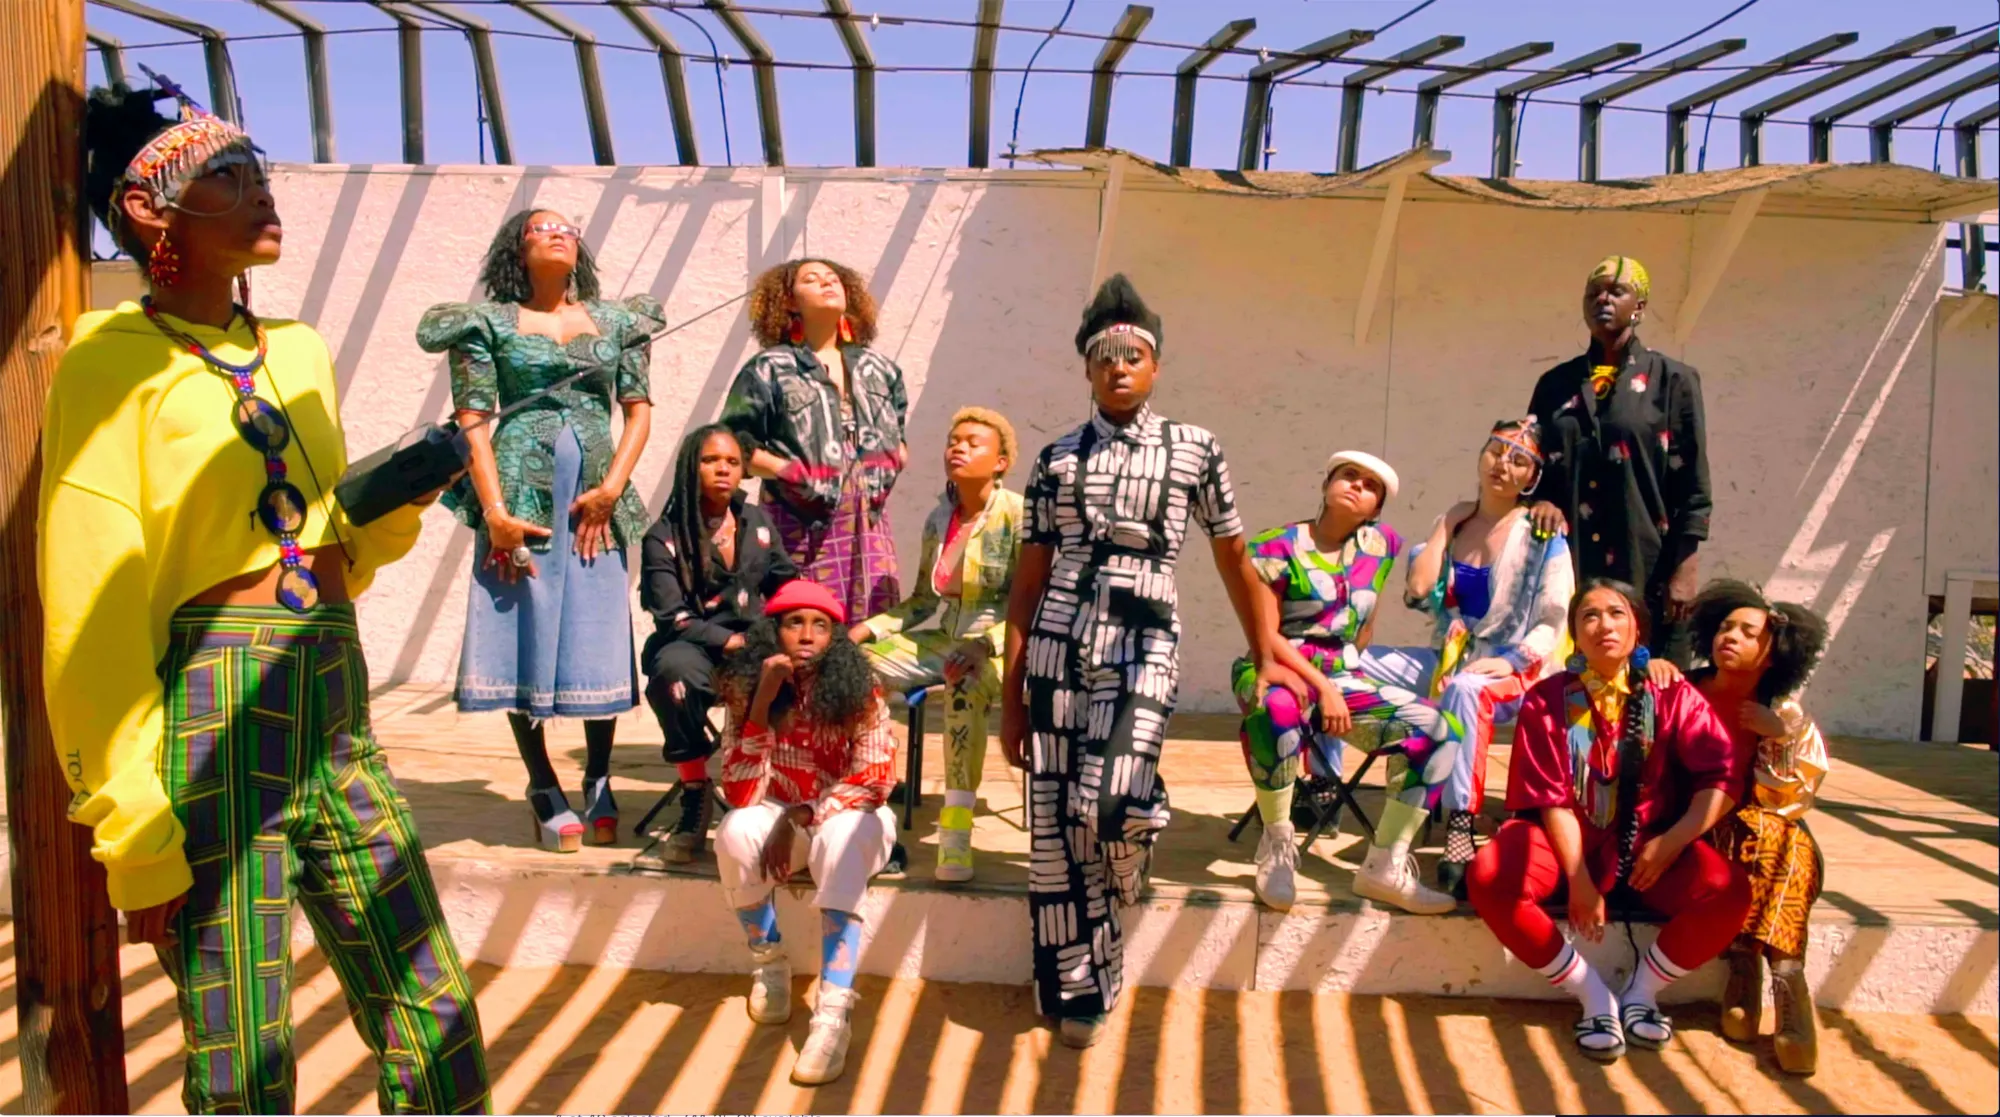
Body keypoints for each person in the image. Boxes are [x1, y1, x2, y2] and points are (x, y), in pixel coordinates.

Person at [41, 79, 488, 1112]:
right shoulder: (104, 366)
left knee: (437, 1015)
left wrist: (408, 484)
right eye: (227, 177)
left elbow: (334, 541)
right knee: (244, 1055)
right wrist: (138, 834)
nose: (260, 192)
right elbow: (89, 611)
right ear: (153, 212)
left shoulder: (298, 352)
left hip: (335, 691)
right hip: (213, 715)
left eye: (260, 173)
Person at [1000, 274, 1294, 1049]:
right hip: (1060, 636)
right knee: (1058, 820)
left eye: (1133, 356)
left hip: (1146, 629)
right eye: (1105, 358)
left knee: (1115, 800)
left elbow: (1235, 557)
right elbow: (1025, 584)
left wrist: (1263, 651)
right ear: (1088, 370)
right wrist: (1011, 698)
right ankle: (1079, 987)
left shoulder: (1195, 448)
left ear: (1156, 366)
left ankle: (1132, 866)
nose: (1119, 368)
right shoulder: (1056, 458)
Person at [416, 209, 663, 852]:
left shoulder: (619, 322)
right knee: (521, 624)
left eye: (566, 226)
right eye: (538, 228)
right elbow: (472, 420)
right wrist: (494, 514)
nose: (557, 233)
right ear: (516, 249)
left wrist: (612, 488)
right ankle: (543, 783)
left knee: (595, 627)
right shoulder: (487, 324)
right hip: (518, 497)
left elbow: (637, 412)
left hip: (594, 504)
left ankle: (601, 777)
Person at [1465, 579, 1751, 1063]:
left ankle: (1641, 994)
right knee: (1491, 877)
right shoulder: (1550, 698)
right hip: (1561, 846)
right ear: (1574, 634)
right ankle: (1593, 997)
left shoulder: (1669, 693)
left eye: (1616, 613)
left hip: (1647, 850)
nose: (1604, 625)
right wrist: (1578, 879)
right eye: (1589, 616)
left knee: (1729, 891)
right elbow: (1552, 796)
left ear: (1637, 625)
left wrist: (1674, 842)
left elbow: (1722, 777)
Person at [1233, 452, 1469, 916]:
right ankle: (1277, 846)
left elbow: (1366, 620)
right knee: (1277, 709)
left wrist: (1347, 673)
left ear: (1376, 509)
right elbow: (1264, 636)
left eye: (1369, 486)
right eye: (1347, 476)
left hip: (1343, 673)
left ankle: (1385, 865)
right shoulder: (1273, 547)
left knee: (1439, 730)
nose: (1356, 486)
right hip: (1275, 665)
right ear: (1326, 485)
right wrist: (1324, 686)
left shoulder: (1381, 545)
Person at [1358, 418, 1574, 897]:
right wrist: (1448, 524)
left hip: (1521, 670)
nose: (1504, 465)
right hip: (1453, 658)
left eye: (1519, 460)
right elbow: (1417, 590)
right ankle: (1320, 783)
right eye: (1497, 451)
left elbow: (1554, 620)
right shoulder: (1455, 523)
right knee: (1345, 662)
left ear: (1532, 477)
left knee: (1466, 690)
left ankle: (1461, 821)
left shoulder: (1542, 533)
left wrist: (1512, 660)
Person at [712, 580, 899, 1087]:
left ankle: (832, 1014)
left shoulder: (862, 688)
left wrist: (802, 814)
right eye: (794, 622)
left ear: (836, 637)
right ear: (773, 631)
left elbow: (876, 778)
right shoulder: (746, 689)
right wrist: (761, 703)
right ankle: (769, 963)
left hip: (852, 819)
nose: (807, 635)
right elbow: (741, 793)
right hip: (783, 821)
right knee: (733, 832)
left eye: (820, 625)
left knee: (841, 837)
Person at [1652, 580, 1831, 1076]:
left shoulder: (1785, 714)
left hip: (1765, 829)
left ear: (1773, 652)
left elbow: (1794, 799)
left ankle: (1774, 974)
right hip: (1695, 825)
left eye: (1747, 632)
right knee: (1766, 834)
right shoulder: (1680, 686)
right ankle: (1754, 970)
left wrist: (1780, 737)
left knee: (1781, 836)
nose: (1730, 636)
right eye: (1725, 626)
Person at [851, 407, 1024, 882]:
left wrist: (985, 645)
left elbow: (1032, 602)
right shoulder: (939, 518)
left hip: (1005, 642)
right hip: (945, 636)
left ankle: (955, 829)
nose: (959, 449)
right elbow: (924, 601)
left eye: (973, 442)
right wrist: (867, 630)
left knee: (964, 687)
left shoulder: (1018, 515)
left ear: (1002, 461)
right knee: (854, 666)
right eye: (954, 441)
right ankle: (864, 790)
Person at [1527, 255, 1711, 667]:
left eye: (1616, 291)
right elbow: (1535, 469)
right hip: (1572, 560)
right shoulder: (1555, 385)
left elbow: (1694, 485)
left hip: (1647, 557)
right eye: (1594, 292)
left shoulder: (1673, 380)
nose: (1603, 300)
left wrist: (1685, 567)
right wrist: (1541, 501)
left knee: (1651, 685)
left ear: (1639, 306)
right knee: (1576, 681)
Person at [640, 423, 797, 862]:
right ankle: (695, 793)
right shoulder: (663, 536)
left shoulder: (757, 522)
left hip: (754, 640)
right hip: (696, 645)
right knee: (672, 677)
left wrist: (809, 620)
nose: (723, 470)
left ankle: (785, 795)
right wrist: (730, 642)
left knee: (799, 667)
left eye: (732, 461)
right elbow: (671, 616)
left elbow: (785, 581)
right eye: (711, 461)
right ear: (691, 467)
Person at [721, 258, 909, 622]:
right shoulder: (768, 367)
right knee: (803, 621)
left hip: (868, 518)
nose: (826, 283)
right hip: (799, 518)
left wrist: (897, 454)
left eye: (834, 278)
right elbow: (733, 443)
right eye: (811, 279)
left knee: (871, 621)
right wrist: (785, 470)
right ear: (789, 302)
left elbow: (898, 427)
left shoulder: (879, 367)